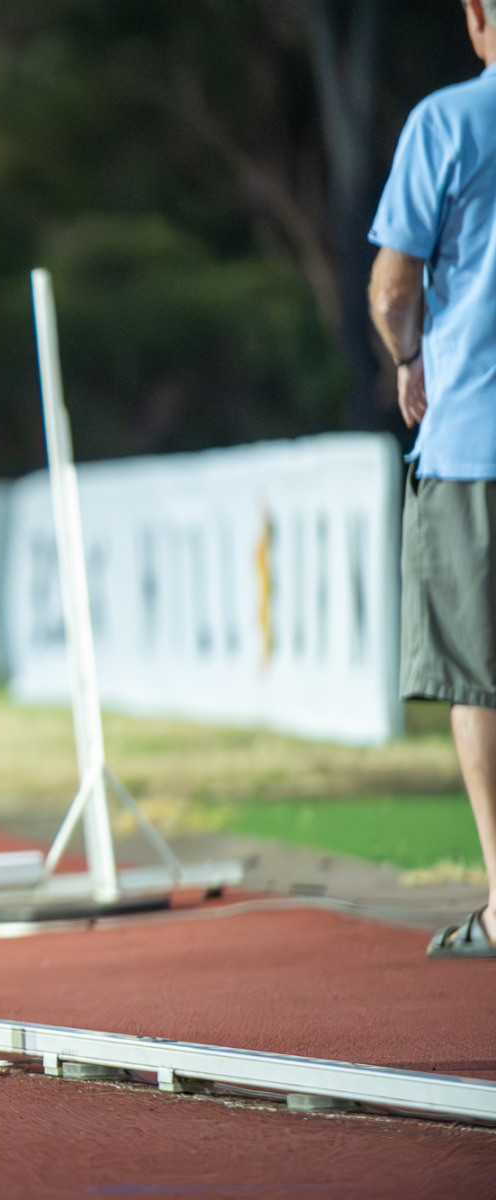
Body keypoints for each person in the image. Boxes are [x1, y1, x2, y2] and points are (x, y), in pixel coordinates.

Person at [368, 0, 496, 959]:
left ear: (477, 16)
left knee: (479, 678)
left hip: (474, 440)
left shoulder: (447, 122)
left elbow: (392, 288)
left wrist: (409, 358)